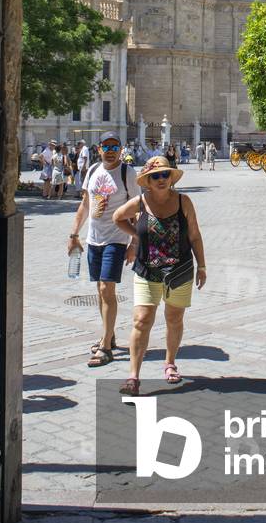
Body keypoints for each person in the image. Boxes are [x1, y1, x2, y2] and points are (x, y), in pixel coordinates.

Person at [113, 156, 206, 394]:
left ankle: (170, 363)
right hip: (147, 270)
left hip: (180, 271)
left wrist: (202, 266)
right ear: (148, 181)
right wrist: (136, 235)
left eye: (165, 175)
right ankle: (133, 376)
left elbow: (194, 235)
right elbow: (117, 217)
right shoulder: (141, 202)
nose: (162, 179)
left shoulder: (184, 201)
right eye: (156, 176)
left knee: (174, 319)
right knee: (142, 320)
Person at [67, 131, 140, 366]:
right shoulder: (93, 171)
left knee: (106, 288)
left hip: (116, 239)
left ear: (121, 149)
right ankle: (109, 334)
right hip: (94, 239)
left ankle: (106, 348)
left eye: (114, 146)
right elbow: (85, 205)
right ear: (99, 149)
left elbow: (139, 210)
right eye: (105, 147)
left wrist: (135, 243)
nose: (110, 151)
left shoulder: (127, 173)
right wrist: (74, 234)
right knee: (100, 291)